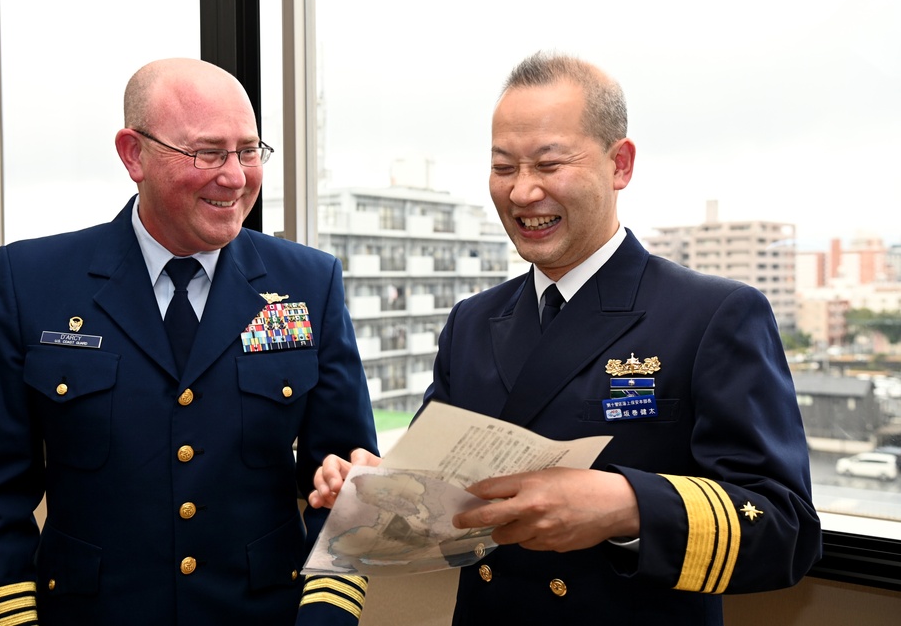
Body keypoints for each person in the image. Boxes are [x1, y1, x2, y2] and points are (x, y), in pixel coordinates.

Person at [310, 51, 822, 625]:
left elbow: (784, 531)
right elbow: (444, 498)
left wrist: (625, 507)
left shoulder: (712, 314)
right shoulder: (473, 321)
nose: (523, 192)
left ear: (619, 164)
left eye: (549, 165)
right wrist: (376, 487)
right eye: (504, 167)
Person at [0, 58, 377, 625]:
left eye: (249, 151)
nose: (235, 176)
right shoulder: (34, 281)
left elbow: (345, 477)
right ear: (133, 154)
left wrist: (325, 619)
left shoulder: (307, 283)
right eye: (207, 153)